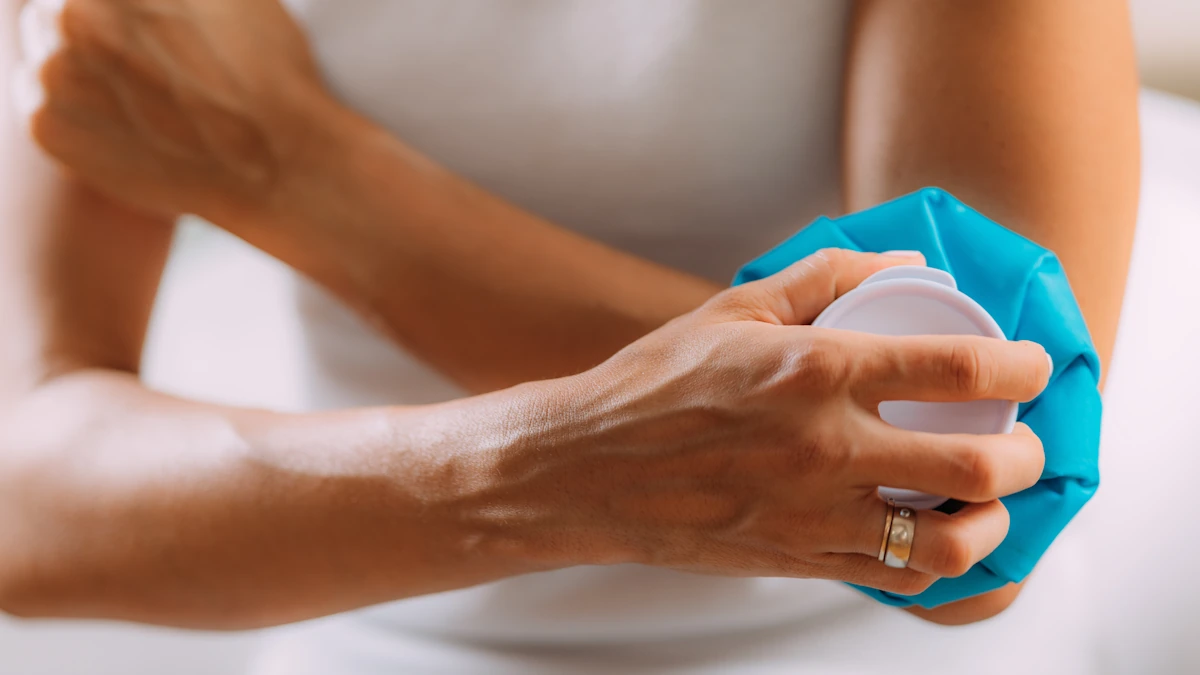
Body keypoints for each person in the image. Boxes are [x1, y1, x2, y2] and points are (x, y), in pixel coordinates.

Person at [0, 0, 1139, 673]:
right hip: (378, 645)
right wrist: (542, 474)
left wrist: (296, 171)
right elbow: (30, 503)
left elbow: (986, 509)